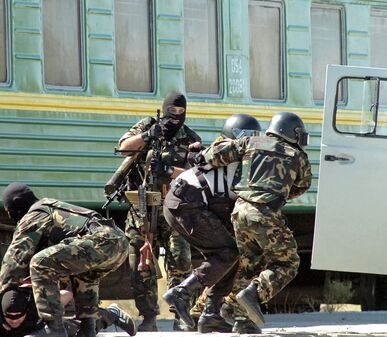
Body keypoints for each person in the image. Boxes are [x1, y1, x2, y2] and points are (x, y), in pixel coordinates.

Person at [199, 112, 312, 331]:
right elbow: (303, 185)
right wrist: (278, 191)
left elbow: (213, 155)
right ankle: (254, 293)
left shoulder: (251, 141)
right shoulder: (297, 155)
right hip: (265, 212)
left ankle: (243, 321)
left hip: (239, 211)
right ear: (292, 132)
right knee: (287, 263)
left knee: (250, 264)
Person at [162, 114, 261, 333]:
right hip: (188, 202)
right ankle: (182, 293)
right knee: (228, 253)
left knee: (229, 256)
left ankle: (211, 315)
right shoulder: (237, 158)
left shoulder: (220, 151)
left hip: (182, 201)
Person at [0, 182, 134, 337]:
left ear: (14, 206)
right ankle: (88, 326)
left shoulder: (34, 214)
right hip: (118, 242)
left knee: (40, 263)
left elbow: (15, 257)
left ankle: (54, 329)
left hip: (103, 240)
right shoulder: (49, 207)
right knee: (83, 275)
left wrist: (1, 294)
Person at [117, 92, 201, 331]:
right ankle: (149, 317)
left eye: (180, 114)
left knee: (180, 263)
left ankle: (180, 316)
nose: (175, 118)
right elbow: (124, 148)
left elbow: (196, 173)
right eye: (171, 113)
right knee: (140, 265)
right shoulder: (148, 126)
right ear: (164, 110)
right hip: (142, 208)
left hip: (175, 211)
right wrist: (147, 136)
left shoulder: (190, 138)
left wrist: (167, 170)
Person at [0, 274, 132, 337]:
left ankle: (111, 314)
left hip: (40, 321)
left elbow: (68, 294)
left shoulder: (39, 303)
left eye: (18, 317)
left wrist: (44, 286)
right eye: (9, 318)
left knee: (76, 330)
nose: (13, 321)